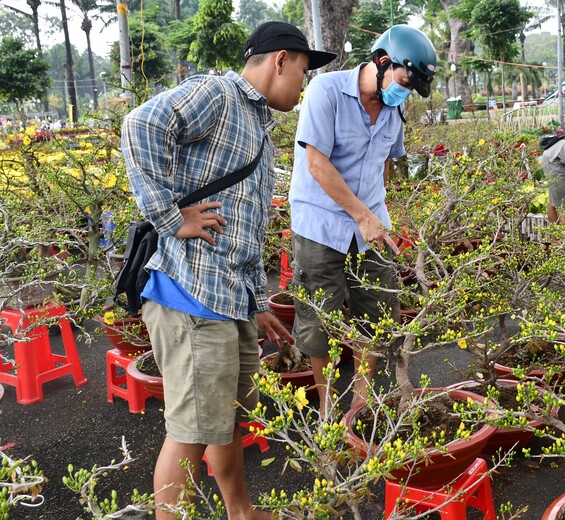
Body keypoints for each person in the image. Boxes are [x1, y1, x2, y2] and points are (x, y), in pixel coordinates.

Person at [121, 22, 335, 520]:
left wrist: (256, 305)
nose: (303, 88)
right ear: (280, 59)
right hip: (190, 296)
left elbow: (242, 231)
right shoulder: (219, 94)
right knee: (191, 431)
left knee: (224, 421)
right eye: (302, 72)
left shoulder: (254, 124)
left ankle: (240, 513)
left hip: (224, 298)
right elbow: (139, 126)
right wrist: (173, 218)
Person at [288, 24, 437, 416]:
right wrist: (362, 215)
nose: (404, 91)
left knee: (378, 311)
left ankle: (361, 401)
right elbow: (317, 164)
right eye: (404, 80)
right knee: (320, 323)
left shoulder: (393, 111)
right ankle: (327, 409)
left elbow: (385, 164)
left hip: (370, 225)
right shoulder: (326, 91)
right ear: (381, 60)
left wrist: (377, 213)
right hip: (320, 226)